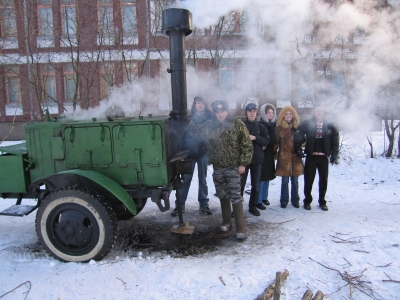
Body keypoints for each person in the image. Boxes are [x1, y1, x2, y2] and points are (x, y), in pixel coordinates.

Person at [203, 100, 253, 240]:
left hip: (233, 168)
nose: (220, 114)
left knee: (236, 196)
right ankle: (226, 222)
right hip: (218, 167)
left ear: (227, 111)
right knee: (222, 194)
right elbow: (206, 144)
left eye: (222, 111)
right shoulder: (211, 126)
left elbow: (246, 145)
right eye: (217, 112)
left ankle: (240, 228)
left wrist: (243, 163)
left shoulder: (237, 124)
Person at [171, 96, 215, 216]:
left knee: (203, 179)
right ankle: (180, 206)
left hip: (203, 152)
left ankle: (204, 205)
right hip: (190, 153)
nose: (200, 105)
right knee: (185, 180)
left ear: (205, 105)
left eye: (202, 103)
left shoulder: (210, 118)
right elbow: (183, 137)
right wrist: (181, 152)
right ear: (194, 105)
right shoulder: (188, 119)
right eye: (198, 103)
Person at [294, 106, 339, 211]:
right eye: (317, 111)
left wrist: (335, 154)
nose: (319, 112)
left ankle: (322, 201)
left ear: (323, 112)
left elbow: (335, 139)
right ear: (314, 112)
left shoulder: (330, 124)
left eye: (321, 110)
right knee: (308, 180)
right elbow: (299, 135)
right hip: (311, 156)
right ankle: (307, 201)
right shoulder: (307, 123)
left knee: (323, 180)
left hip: (324, 157)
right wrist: (298, 149)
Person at [240, 103, 270, 216]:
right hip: (243, 160)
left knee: (256, 186)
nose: (252, 113)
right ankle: (238, 208)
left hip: (257, 160)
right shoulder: (241, 125)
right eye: (250, 111)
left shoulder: (261, 126)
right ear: (246, 112)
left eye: (254, 111)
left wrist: (255, 138)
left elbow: (267, 140)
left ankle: (252, 207)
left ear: (256, 112)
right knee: (240, 185)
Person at [274, 105, 304, 208]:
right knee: (285, 181)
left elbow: (303, 141)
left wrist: (302, 145)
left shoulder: (297, 128)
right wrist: (274, 154)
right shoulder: (279, 129)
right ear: (282, 116)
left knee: (295, 181)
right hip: (284, 158)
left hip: (296, 158)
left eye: (290, 114)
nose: (288, 116)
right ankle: (284, 200)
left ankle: (295, 200)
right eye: (286, 114)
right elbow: (276, 143)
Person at [258, 103, 277, 207]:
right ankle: (259, 200)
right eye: (268, 113)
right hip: (262, 153)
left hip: (270, 154)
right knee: (261, 178)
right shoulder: (260, 124)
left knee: (267, 177)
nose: (270, 114)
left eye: (272, 113)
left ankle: (265, 197)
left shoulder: (273, 124)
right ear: (264, 113)